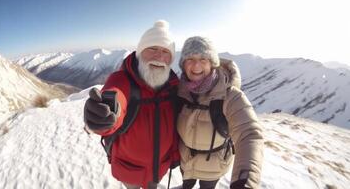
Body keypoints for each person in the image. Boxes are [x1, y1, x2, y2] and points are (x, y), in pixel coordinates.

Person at [83, 20, 180, 189]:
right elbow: (115, 96)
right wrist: (104, 116)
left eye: (165, 51)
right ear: (139, 52)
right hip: (130, 171)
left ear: (171, 58)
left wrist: (175, 156)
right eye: (152, 49)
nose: (159, 56)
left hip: (159, 167)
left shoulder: (173, 86)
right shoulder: (122, 79)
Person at [176, 36, 264, 189]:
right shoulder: (178, 91)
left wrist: (245, 181)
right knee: (186, 186)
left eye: (203, 59)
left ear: (212, 63)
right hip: (186, 162)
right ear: (183, 64)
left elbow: (249, 134)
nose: (196, 65)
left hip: (214, 167)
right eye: (190, 59)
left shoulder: (230, 96)